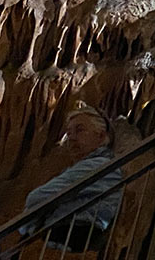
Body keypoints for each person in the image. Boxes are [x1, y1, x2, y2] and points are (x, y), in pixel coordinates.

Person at [18, 106, 124, 251]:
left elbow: (37, 198)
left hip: (72, 234)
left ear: (100, 136)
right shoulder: (90, 166)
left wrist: (29, 224)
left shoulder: (98, 165)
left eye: (80, 130)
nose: (72, 138)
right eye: (69, 133)